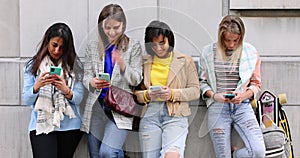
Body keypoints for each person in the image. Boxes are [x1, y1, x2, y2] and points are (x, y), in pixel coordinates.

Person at [80, 4, 143, 158]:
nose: (112, 32)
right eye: (107, 28)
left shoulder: (133, 47)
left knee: (107, 153)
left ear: (123, 25)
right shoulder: (93, 47)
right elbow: (86, 76)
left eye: (116, 27)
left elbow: (136, 79)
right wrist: (92, 82)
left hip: (119, 108)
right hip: (96, 107)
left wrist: (122, 64)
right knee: (95, 155)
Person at [198, 15, 266, 158]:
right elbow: (202, 82)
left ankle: (235, 155)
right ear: (221, 36)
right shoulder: (208, 52)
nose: (231, 45)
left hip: (242, 107)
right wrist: (215, 96)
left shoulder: (250, 52)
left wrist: (242, 96)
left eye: (235, 40)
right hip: (218, 108)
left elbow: (256, 84)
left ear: (241, 37)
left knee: (259, 151)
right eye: (227, 40)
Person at [134, 20, 200, 158]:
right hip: (150, 114)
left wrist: (172, 94)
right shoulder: (144, 62)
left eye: (162, 43)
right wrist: (147, 95)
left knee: (172, 155)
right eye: (153, 44)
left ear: (169, 40)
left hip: (175, 115)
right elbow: (136, 94)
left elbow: (195, 91)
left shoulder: (184, 60)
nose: (158, 48)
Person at [22, 22, 84, 158]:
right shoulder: (33, 66)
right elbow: (26, 99)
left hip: (70, 126)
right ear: (47, 43)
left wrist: (65, 90)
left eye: (62, 48)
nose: (57, 51)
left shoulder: (75, 67)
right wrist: (37, 86)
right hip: (42, 125)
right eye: (54, 45)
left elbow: (79, 98)